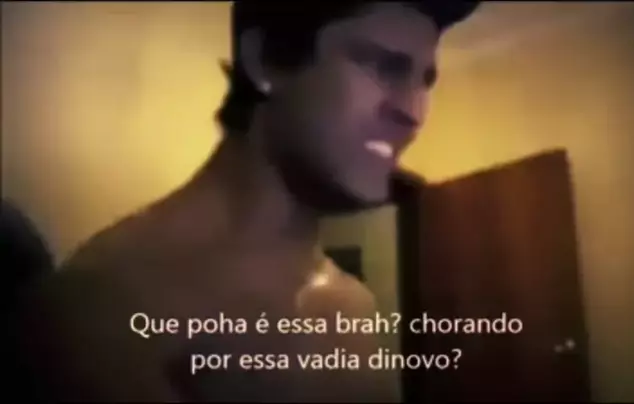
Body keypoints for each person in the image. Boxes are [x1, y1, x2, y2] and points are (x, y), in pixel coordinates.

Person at [12, 1, 481, 402]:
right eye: (384, 66)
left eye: (425, 81)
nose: (414, 112)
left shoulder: (354, 305)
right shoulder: (104, 309)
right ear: (266, 60)